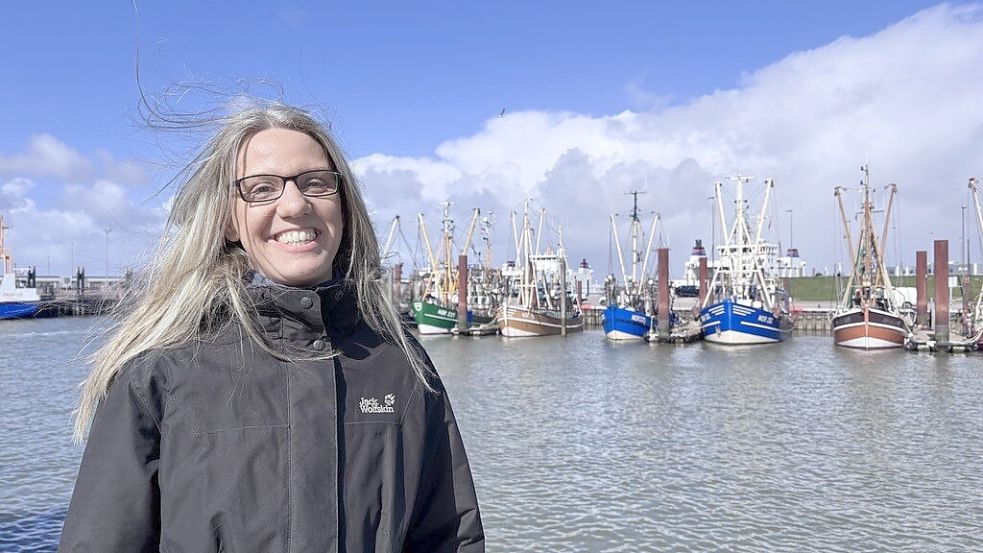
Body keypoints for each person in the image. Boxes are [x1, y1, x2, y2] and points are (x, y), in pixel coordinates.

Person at [57, 103, 484, 553]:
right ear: (227, 221)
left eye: (316, 182)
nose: (296, 204)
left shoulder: (402, 366)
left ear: (343, 205)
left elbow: (449, 536)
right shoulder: (157, 375)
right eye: (261, 189)